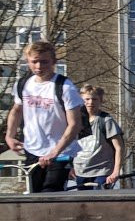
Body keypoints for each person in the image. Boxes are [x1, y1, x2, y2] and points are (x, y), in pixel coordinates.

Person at [6, 40, 84, 193]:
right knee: (34, 193)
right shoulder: (23, 85)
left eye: (44, 62)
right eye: (34, 62)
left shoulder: (65, 87)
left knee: (51, 193)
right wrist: (10, 135)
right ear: (28, 61)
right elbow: (16, 110)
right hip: (33, 149)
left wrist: (54, 152)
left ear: (54, 61)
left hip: (60, 151)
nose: (39, 67)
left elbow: (74, 125)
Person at [72, 84, 125, 189]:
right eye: (87, 99)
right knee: (83, 204)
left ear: (100, 101)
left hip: (102, 171)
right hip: (80, 171)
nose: (90, 102)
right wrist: (70, 167)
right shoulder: (75, 121)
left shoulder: (105, 120)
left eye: (94, 99)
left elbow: (119, 147)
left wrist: (115, 171)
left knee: (98, 202)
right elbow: (70, 146)